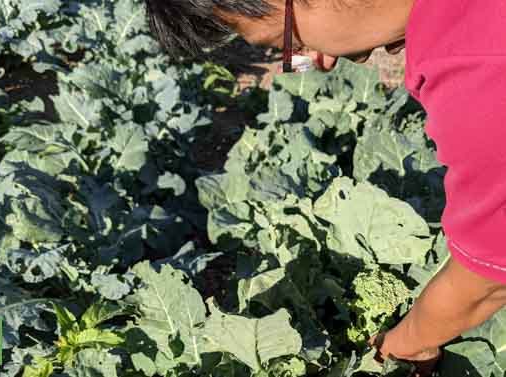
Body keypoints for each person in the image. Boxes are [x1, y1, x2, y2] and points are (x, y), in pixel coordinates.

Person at [145, 0, 506, 375]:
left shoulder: (480, 72)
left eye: (288, 43)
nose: (320, 61)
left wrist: (407, 342)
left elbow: (487, 277)